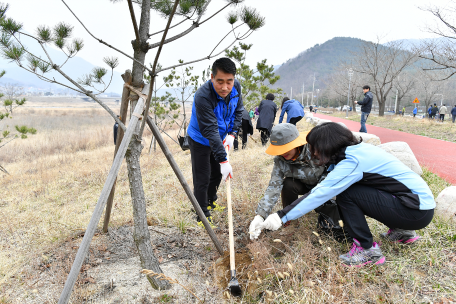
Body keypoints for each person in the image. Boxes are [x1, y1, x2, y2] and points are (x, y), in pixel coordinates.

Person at [255, 122, 435, 267]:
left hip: (415, 211)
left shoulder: (352, 161)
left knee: (347, 193)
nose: (314, 152)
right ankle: (402, 232)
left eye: (316, 147)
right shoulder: (356, 151)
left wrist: (281, 216)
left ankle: (367, 250)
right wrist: (261, 214)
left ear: (326, 145)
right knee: (358, 191)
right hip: (416, 204)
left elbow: (322, 192)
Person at [187, 57, 244, 228]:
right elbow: (210, 130)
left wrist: (233, 134)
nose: (225, 87)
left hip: (220, 137)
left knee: (217, 174)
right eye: (220, 81)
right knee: (202, 176)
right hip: (200, 138)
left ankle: (211, 200)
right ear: (212, 77)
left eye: (229, 81)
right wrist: (224, 159)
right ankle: (202, 213)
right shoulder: (203, 96)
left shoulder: (236, 88)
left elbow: (239, 111)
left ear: (234, 78)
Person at [249, 123, 326, 239]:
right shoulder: (280, 161)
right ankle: (290, 219)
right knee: (288, 184)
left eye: (286, 147)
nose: (283, 153)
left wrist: (321, 195)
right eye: (279, 149)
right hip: (304, 185)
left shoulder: (315, 148)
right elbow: (273, 187)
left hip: (326, 185)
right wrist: (260, 216)